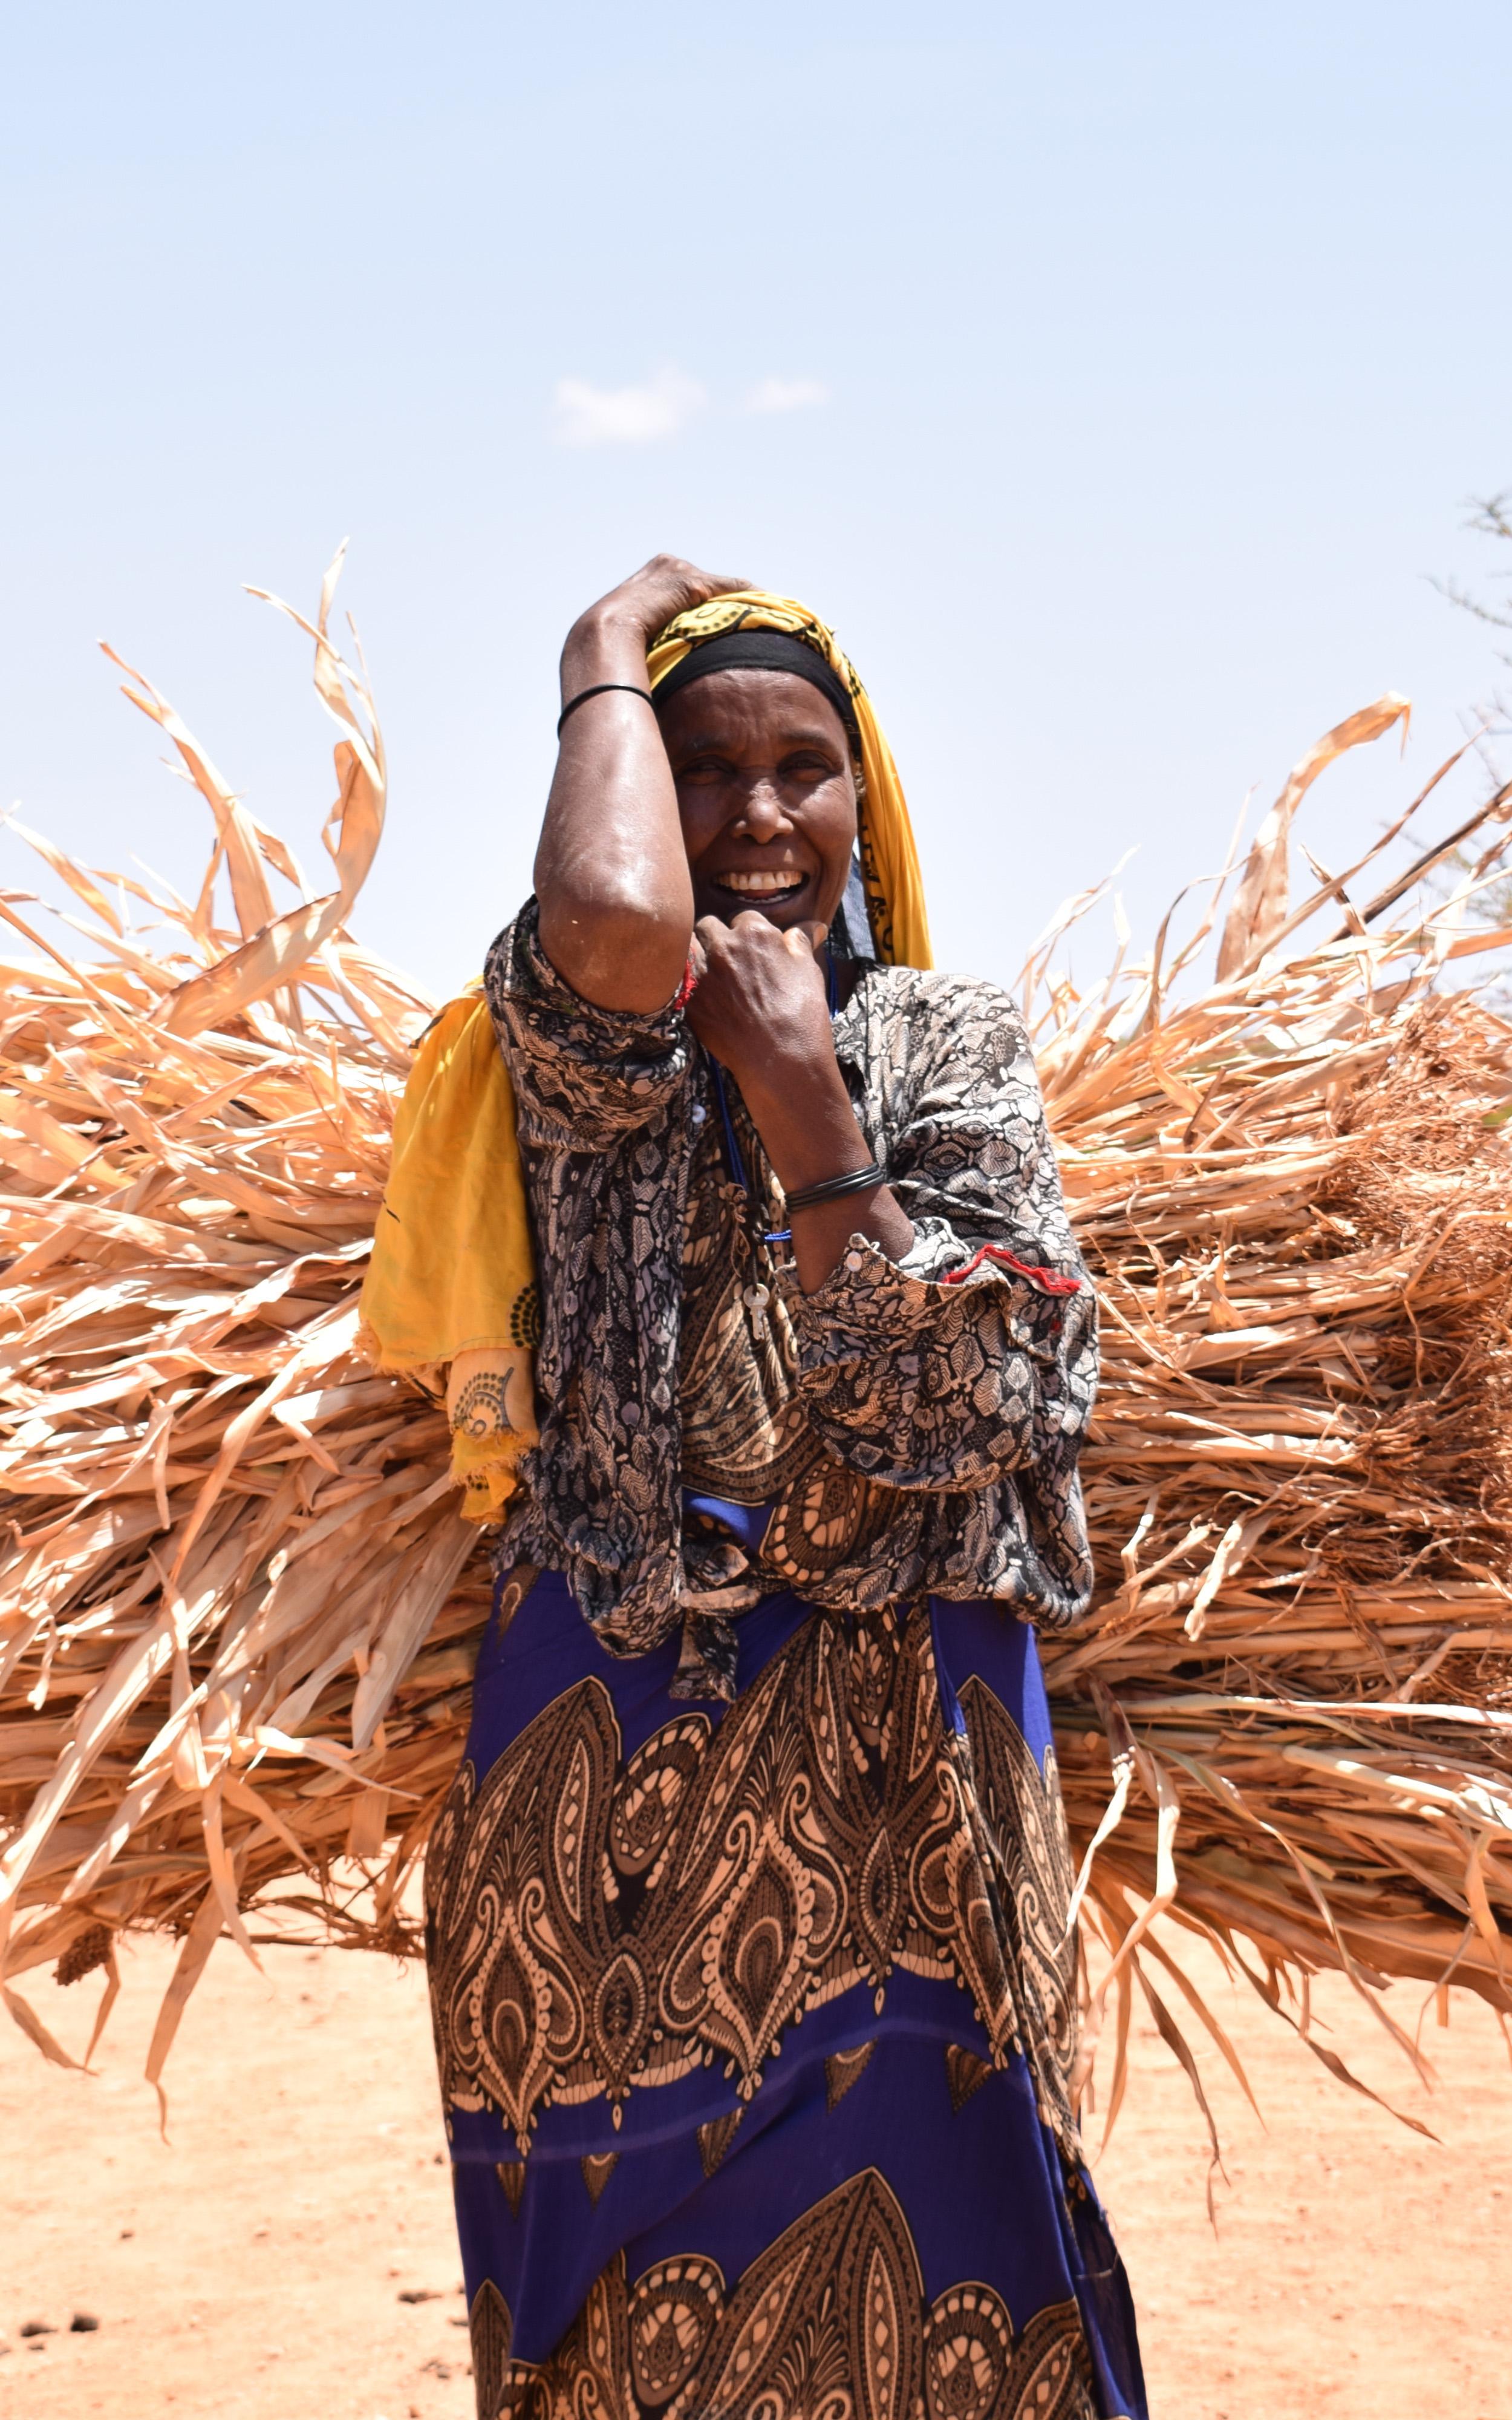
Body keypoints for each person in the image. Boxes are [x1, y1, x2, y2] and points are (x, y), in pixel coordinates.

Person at [420, 557, 1147, 2420]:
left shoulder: (946, 1043)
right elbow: (601, 914)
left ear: (864, 800)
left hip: (905, 1782)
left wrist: (814, 1108)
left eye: (800, 768)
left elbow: (983, 1410)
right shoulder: (581, 1050)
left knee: (960, 2315)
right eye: (698, 771)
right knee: (612, 2348)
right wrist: (593, 652)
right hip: (607, 1802)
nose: (756, 818)